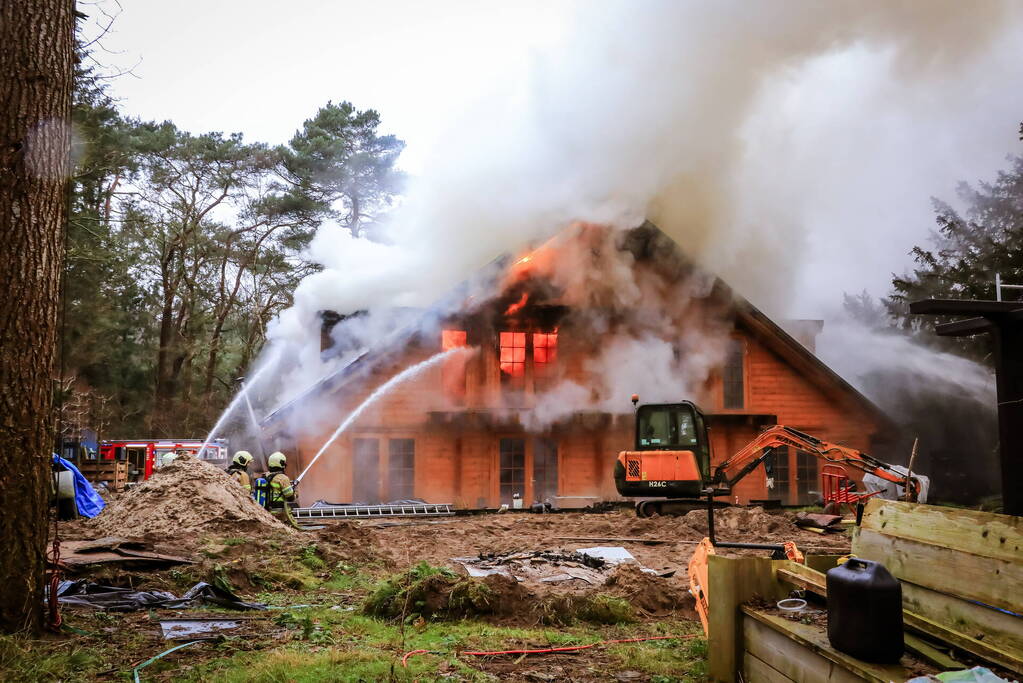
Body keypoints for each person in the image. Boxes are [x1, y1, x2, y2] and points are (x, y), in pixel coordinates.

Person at [265, 451, 298, 526]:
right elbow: (290, 498)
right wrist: (295, 493)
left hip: (267, 511)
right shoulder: (283, 478)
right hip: (279, 512)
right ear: (282, 464)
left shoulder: (266, 476)